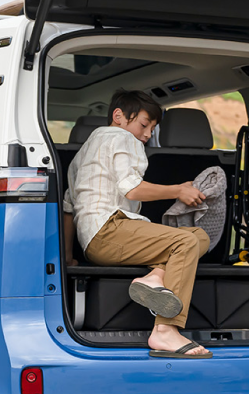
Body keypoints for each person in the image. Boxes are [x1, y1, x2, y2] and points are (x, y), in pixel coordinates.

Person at [62, 89, 213, 359]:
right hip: (110, 229)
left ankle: (155, 277)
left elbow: (68, 208)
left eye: (152, 129)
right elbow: (131, 189)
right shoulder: (121, 137)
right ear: (118, 116)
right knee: (186, 241)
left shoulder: (82, 153)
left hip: (95, 241)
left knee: (199, 235)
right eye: (144, 124)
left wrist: (68, 257)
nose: (146, 134)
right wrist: (178, 190)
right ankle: (165, 330)